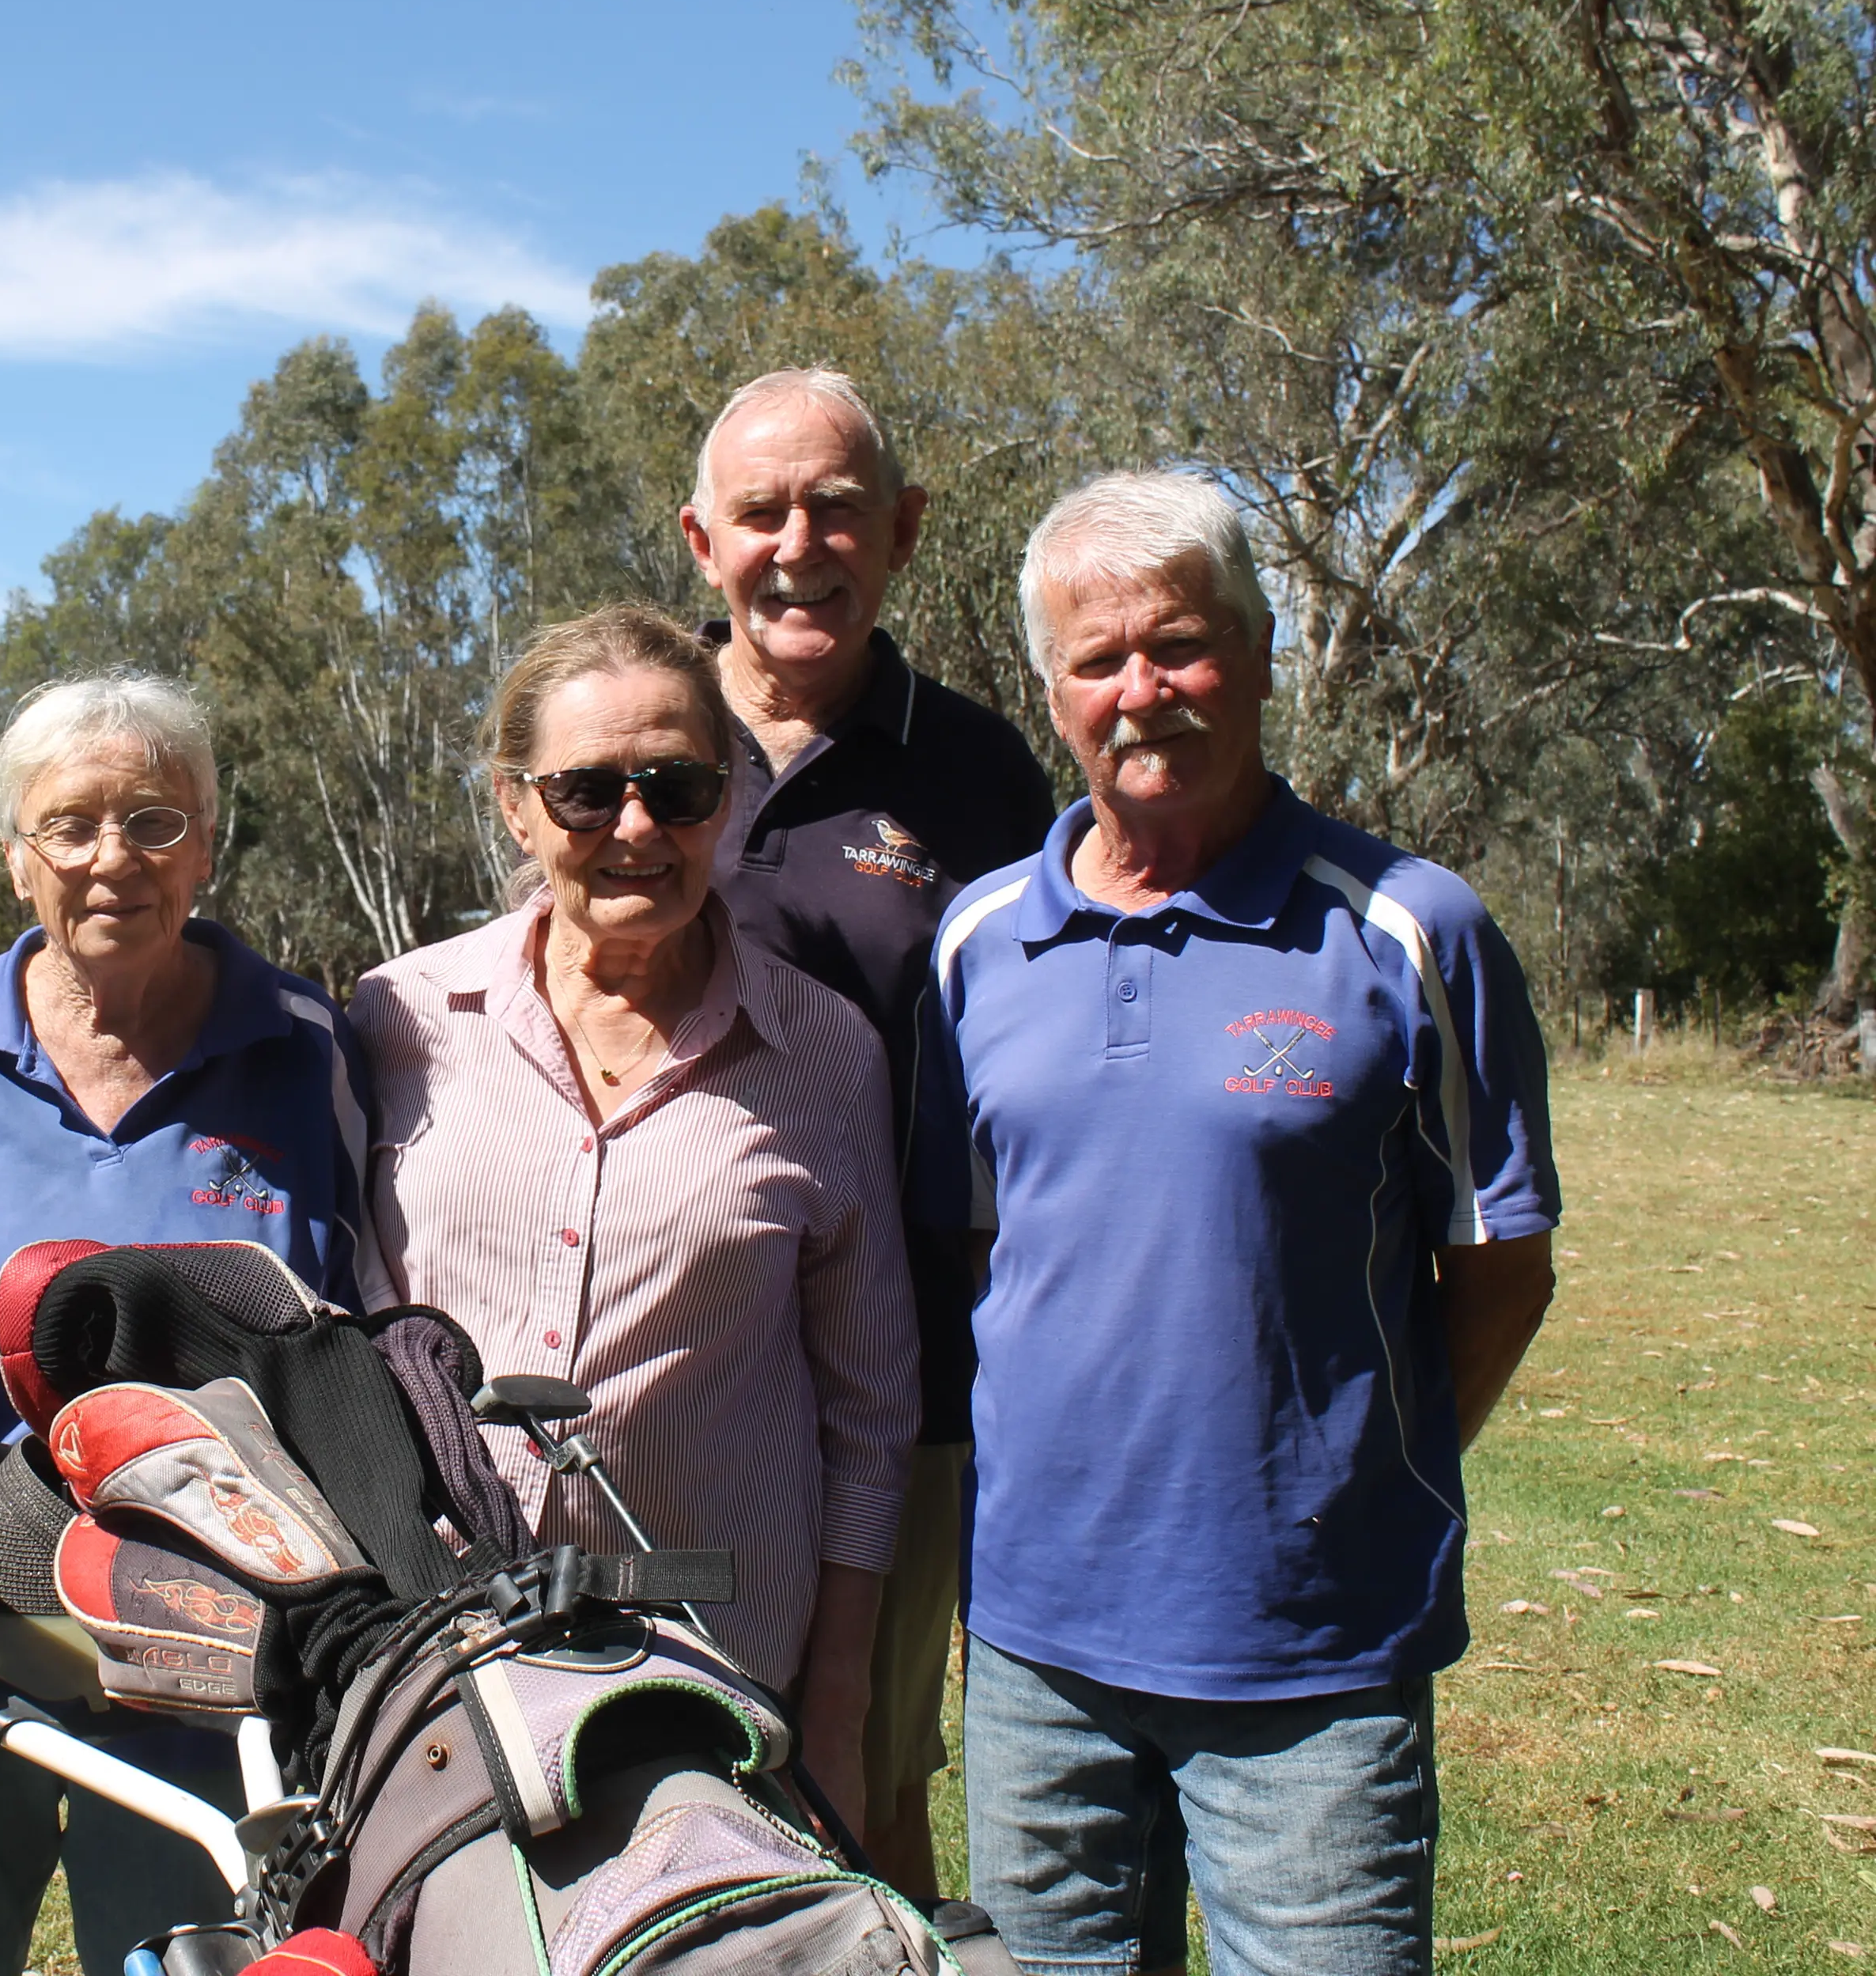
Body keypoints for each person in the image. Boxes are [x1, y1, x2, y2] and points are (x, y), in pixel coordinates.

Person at [924, 473, 1560, 1976]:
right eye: (1098, 660)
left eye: (1184, 646)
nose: (1142, 690)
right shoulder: (973, 945)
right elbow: (980, 1258)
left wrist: (1328, 1489)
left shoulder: (1412, 929)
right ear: (1054, 690)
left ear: (1263, 651)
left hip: (1313, 1662)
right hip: (1034, 1648)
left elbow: (1501, 1271)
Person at [0, 673, 372, 1976]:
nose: (116, 860)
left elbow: (370, 1328)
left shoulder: (306, 1048)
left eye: (157, 822)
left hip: (218, 1649)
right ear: (17, 861)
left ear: (207, 847)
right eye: (73, 825)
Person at [347, 602, 921, 1834]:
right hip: (438, 1670)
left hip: (718, 1681)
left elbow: (869, 1413)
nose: (639, 829)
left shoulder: (823, 1051)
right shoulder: (397, 1022)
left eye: (678, 786)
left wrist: (835, 1707)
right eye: (588, 792)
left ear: (727, 797)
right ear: (515, 803)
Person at [679, 365, 1057, 1896]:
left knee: (863, 1775)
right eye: (760, 511)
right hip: (655, 1361)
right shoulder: (633, 735)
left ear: (901, 532)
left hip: (901, 1377)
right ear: (702, 542)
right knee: (648, 1764)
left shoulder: (979, 777)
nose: (798, 543)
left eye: (836, 507)